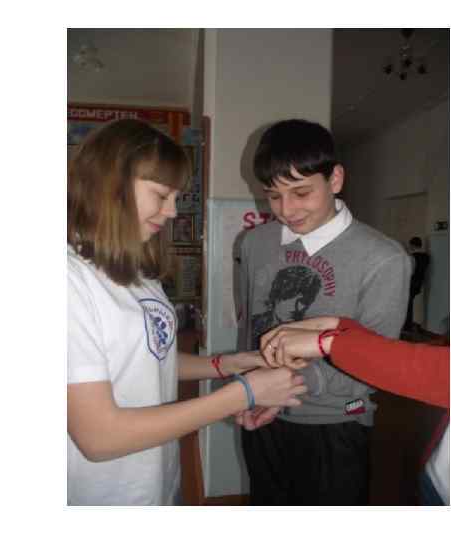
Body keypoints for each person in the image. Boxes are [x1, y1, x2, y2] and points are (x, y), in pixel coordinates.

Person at [67, 119, 307, 506]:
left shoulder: (135, 273)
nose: (173, 211)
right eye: (162, 194)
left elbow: (147, 358)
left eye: (176, 196)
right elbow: (99, 437)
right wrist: (244, 393)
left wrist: (227, 364)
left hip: (156, 482)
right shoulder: (69, 281)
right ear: (111, 185)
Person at [236, 119, 412, 505]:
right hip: (262, 414)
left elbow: (376, 364)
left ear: (335, 179)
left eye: (301, 192)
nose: (287, 209)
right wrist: (249, 386)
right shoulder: (254, 244)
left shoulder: (384, 259)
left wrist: (283, 386)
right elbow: (251, 325)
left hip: (334, 425)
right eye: (273, 196)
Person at [258, 316, 449, 505]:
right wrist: (331, 325)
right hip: (437, 476)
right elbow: (385, 346)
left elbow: (437, 371)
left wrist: (328, 342)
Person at [404, 236, 430, 331]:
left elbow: (409, 272)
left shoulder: (411, 257)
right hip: (419, 283)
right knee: (410, 304)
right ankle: (409, 325)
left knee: (407, 305)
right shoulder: (426, 257)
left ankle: (407, 326)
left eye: (410, 245)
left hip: (410, 283)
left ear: (413, 245)